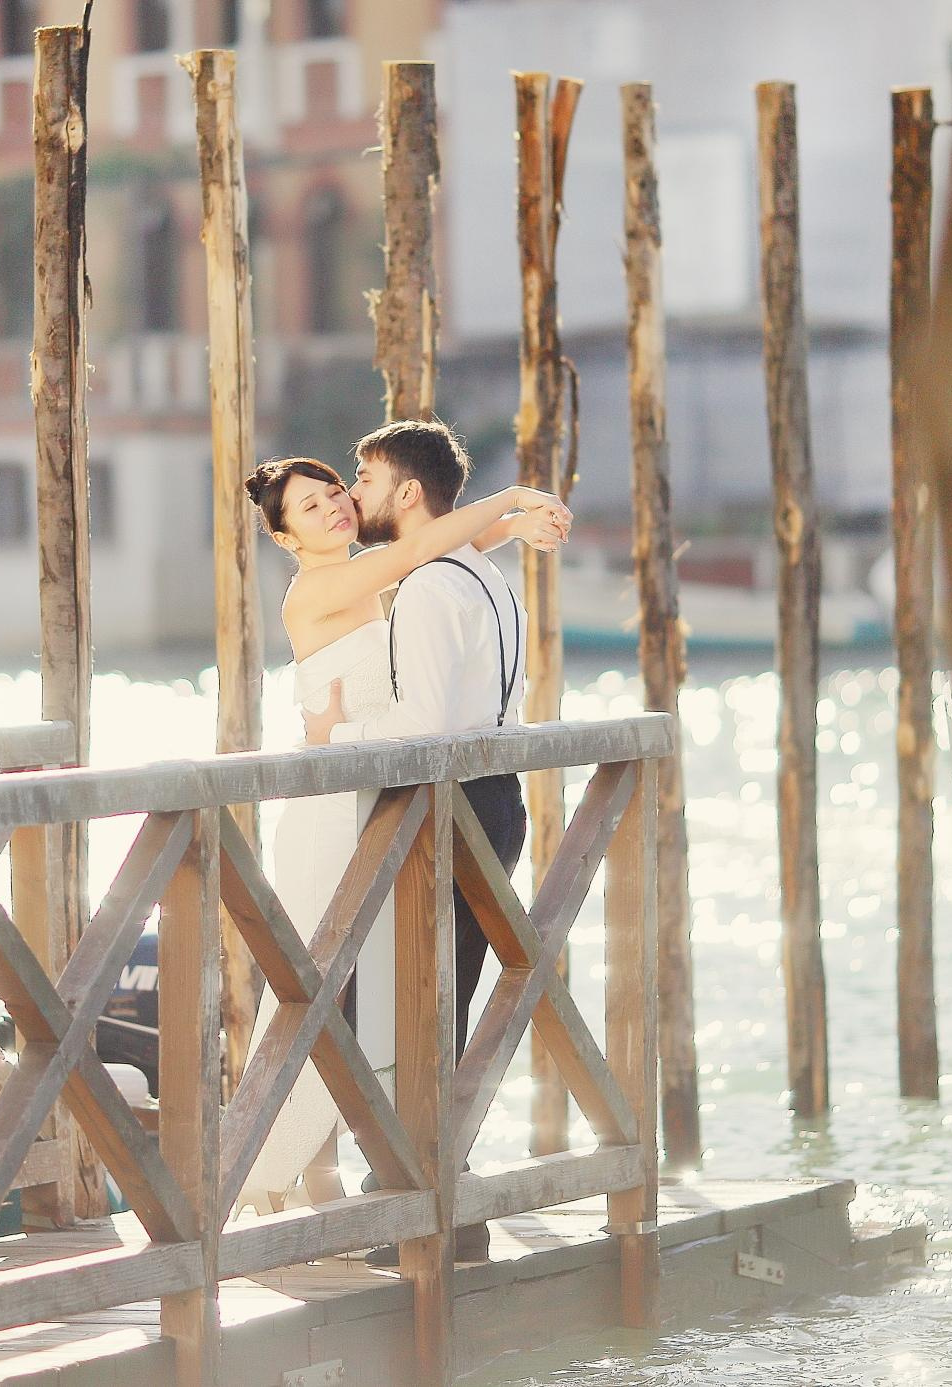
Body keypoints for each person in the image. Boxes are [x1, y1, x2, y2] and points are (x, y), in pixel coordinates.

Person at [236, 446, 570, 1221]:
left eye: (334, 494)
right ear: (287, 539)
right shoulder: (315, 587)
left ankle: (314, 1178)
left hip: (366, 799)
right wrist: (515, 494)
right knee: (321, 986)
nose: (335, 507)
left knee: (343, 986)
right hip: (328, 808)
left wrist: (515, 529)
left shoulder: (373, 571)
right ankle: (273, 1171)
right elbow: (423, 547)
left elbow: (439, 549)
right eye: (313, 508)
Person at [303, 419, 542, 1264]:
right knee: (438, 1005)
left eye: (364, 479)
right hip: (495, 801)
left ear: (408, 492)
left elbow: (425, 725)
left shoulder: (434, 588)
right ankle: (443, 1205)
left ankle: (407, 1201)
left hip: (445, 809)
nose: (353, 494)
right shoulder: (488, 576)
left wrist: (335, 732)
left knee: (392, 1005)